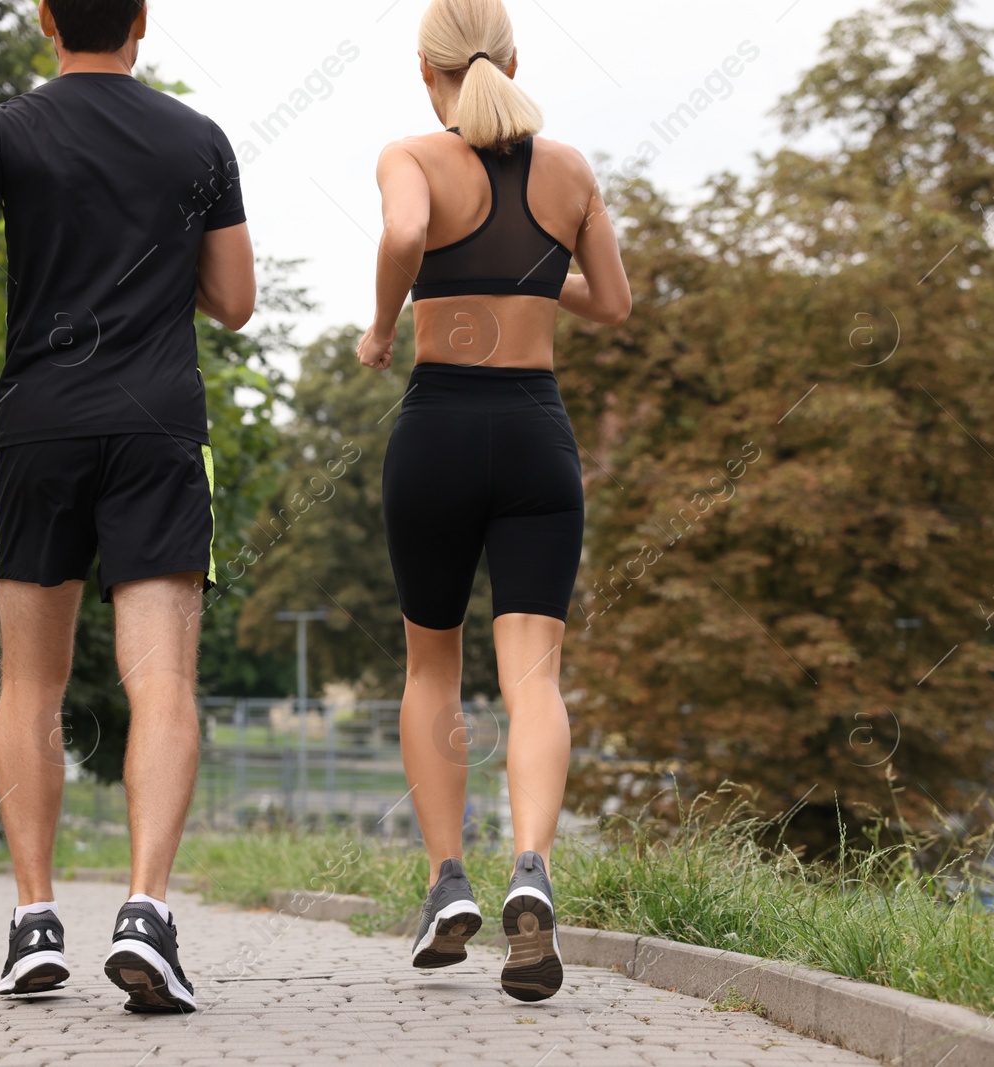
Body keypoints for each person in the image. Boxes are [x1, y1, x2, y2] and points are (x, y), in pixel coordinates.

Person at [0, 0, 255, 1014]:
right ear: (141, 21)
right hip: (157, 432)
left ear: (47, 19)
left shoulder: (6, 126)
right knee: (163, 682)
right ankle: (145, 909)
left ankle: (33, 921)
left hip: (39, 428)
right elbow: (234, 301)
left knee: (30, 683)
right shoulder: (197, 137)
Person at [357, 0, 631, 1003]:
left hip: (437, 430)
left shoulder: (409, 156)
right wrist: (531, 269)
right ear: (513, 59)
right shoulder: (569, 172)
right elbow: (611, 302)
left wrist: (382, 323)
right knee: (534, 677)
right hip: (534, 438)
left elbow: (403, 231)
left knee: (432, 661)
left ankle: (444, 883)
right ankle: (532, 866)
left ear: (422, 70)